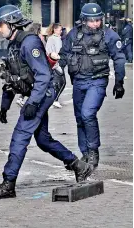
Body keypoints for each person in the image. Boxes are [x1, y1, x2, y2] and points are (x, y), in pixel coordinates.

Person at [0, 5, 94, 200]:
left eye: (0, 25)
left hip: (44, 91)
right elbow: (12, 79)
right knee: (43, 140)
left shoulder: (29, 43)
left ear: (11, 23)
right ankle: (79, 165)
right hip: (38, 93)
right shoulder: (13, 46)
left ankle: (8, 183)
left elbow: (44, 76)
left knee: (21, 134)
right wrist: (4, 105)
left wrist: (33, 103)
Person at [55, 3, 126, 167]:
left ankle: (93, 151)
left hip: (97, 81)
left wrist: (119, 81)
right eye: (91, 20)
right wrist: (56, 71)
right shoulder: (74, 34)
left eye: (98, 20)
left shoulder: (109, 35)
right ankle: (85, 153)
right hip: (79, 82)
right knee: (80, 118)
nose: (95, 23)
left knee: (87, 114)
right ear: (84, 20)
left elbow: (119, 59)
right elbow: (64, 55)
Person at [46, 23, 65, 108]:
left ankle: (54, 99)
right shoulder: (51, 39)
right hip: (55, 64)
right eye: (60, 30)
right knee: (61, 82)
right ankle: (55, 100)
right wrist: (54, 60)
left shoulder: (59, 38)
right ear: (55, 29)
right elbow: (49, 51)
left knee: (59, 82)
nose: (61, 31)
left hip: (60, 62)